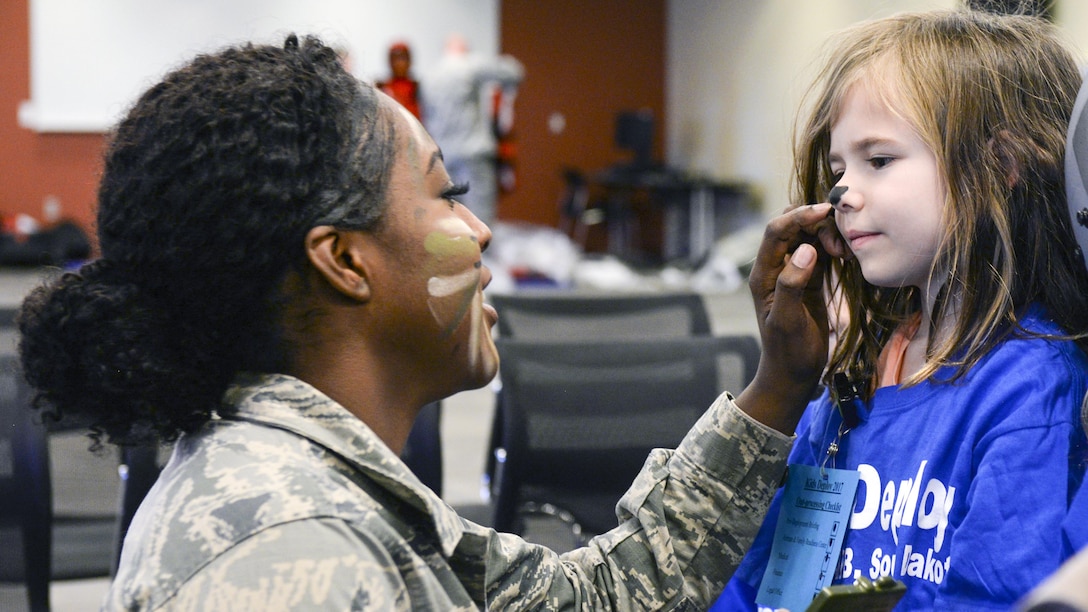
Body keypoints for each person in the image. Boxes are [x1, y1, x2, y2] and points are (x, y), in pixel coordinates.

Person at [16, 34, 844, 610]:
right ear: (344, 260)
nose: (480, 232)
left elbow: (598, 599)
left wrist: (777, 386)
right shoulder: (296, 553)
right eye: (447, 196)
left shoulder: (319, 485)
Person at [713, 8, 1088, 611]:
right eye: (838, 170)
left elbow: (995, 599)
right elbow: (762, 583)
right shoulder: (850, 381)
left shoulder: (1031, 385)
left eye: (879, 160)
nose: (842, 194)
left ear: (1004, 164)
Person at [422, 33, 523, 226]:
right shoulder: (469, 66)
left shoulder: (430, 76)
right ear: (464, 49)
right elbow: (514, 72)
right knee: (480, 218)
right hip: (473, 155)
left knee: (451, 217)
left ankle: (457, 256)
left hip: (444, 157)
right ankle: (483, 256)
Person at [376, 41, 422, 120]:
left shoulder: (417, 87)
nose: (399, 63)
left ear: (410, 60)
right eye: (395, 59)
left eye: (403, 58)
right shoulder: (382, 87)